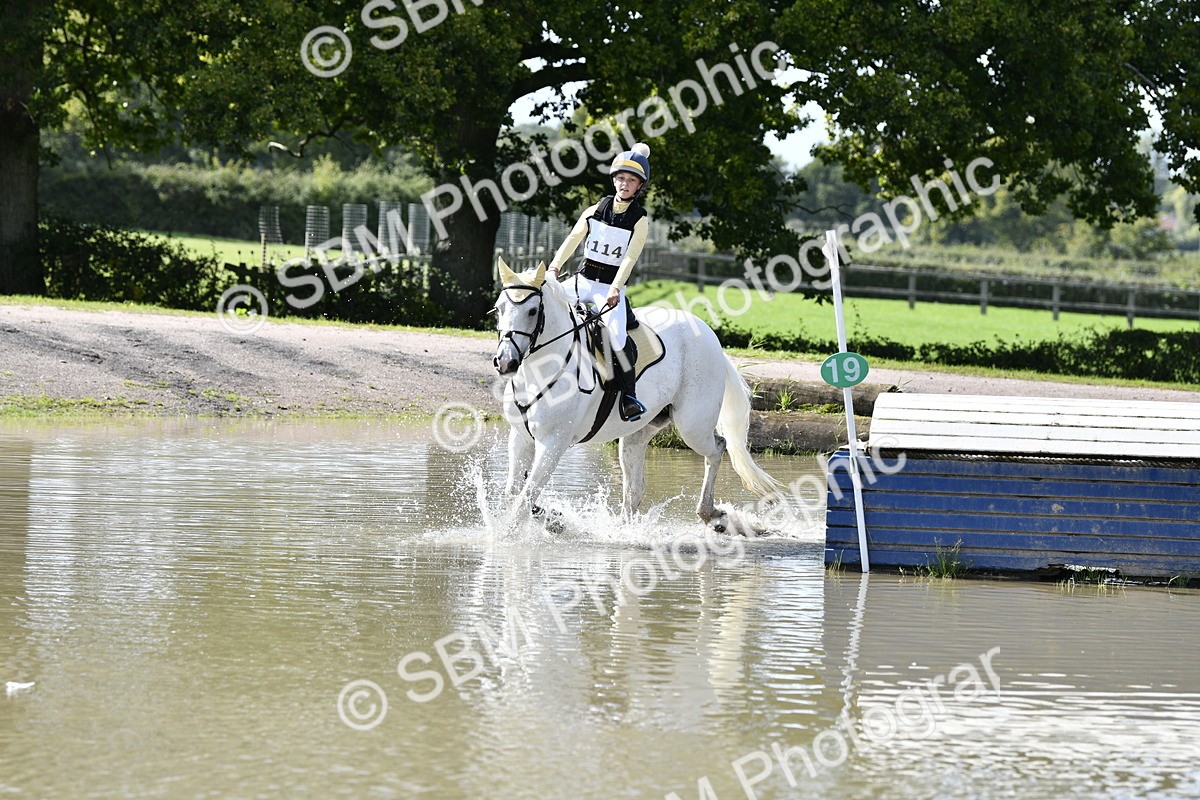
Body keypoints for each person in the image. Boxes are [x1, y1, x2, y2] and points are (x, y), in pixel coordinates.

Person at [547, 142, 652, 421]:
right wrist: (554, 268)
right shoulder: (595, 209)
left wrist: (616, 287)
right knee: (543, 303)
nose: (624, 184)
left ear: (639, 186)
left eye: (631, 180)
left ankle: (629, 396)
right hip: (581, 281)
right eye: (621, 178)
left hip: (609, 288)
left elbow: (630, 258)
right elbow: (573, 239)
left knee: (617, 338)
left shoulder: (639, 219)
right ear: (614, 180)